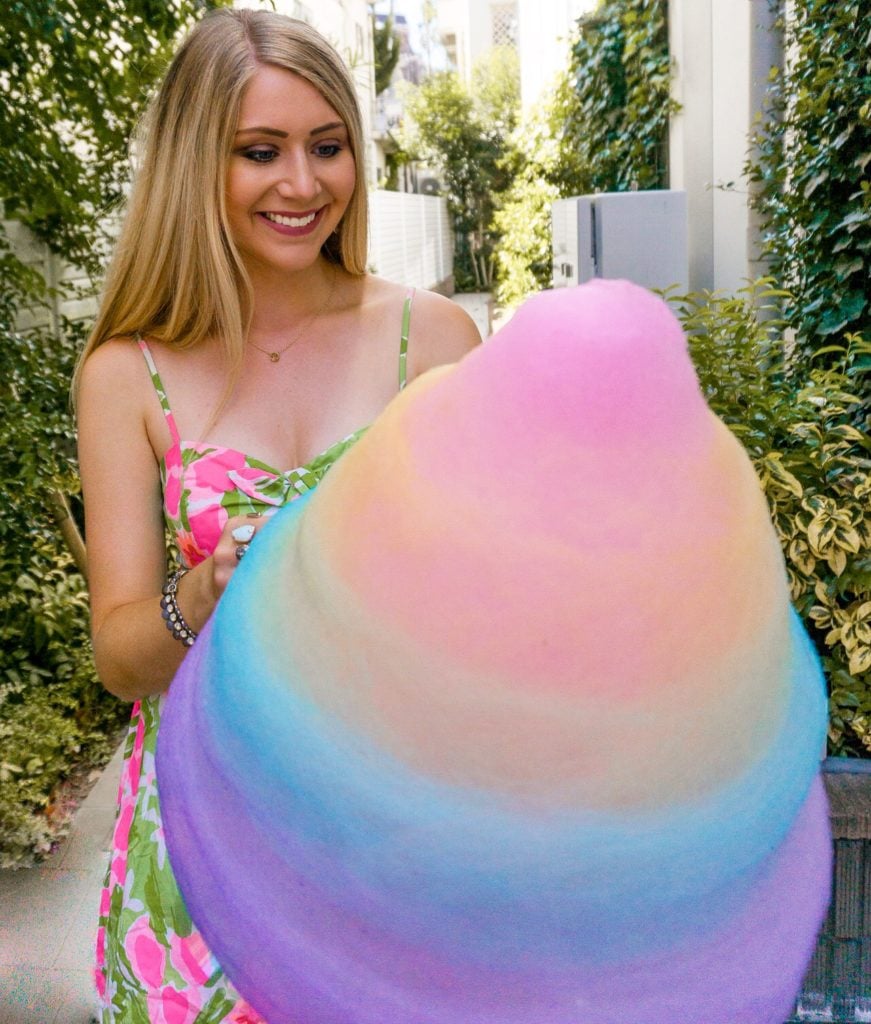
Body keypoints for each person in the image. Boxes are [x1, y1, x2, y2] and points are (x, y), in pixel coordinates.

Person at [74, 8, 480, 1021]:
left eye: (327, 146)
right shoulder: (128, 375)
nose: (303, 185)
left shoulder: (434, 342)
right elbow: (121, 657)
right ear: (195, 166)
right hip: (207, 853)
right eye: (261, 152)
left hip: (393, 841)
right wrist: (205, 594)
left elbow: (492, 609)